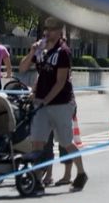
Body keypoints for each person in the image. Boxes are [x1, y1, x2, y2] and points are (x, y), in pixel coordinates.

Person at [19, 17, 88, 192]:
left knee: (66, 142)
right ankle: (36, 181)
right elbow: (22, 68)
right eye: (46, 29)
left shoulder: (63, 52)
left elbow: (60, 82)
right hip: (41, 103)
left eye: (51, 29)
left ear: (59, 32)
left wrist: (45, 101)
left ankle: (81, 173)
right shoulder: (41, 50)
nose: (47, 32)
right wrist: (32, 52)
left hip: (61, 103)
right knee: (37, 142)